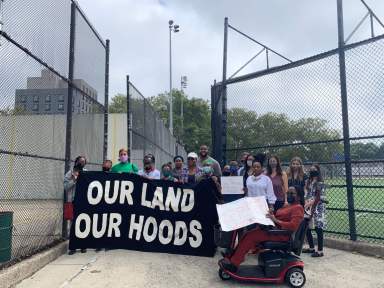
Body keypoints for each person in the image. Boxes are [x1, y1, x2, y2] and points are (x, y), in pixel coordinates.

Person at [219, 186, 304, 272]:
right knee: (248, 234)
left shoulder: (298, 208)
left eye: (292, 193)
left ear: (299, 196)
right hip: (274, 230)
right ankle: (233, 256)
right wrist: (271, 213)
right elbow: (279, 217)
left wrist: (275, 220)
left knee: (251, 237)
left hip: (281, 234)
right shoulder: (288, 206)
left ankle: (234, 264)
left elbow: (293, 226)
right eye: (288, 193)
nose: (289, 195)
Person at [64, 155, 87, 255]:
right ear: (76, 161)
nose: (81, 163)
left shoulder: (86, 172)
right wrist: (74, 179)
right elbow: (65, 186)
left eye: (83, 161)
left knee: (82, 223)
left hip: (83, 201)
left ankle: (83, 245)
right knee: (73, 224)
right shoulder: (70, 173)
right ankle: (73, 247)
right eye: (80, 161)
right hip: (73, 201)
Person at [303, 164, 327, 257]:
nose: (312, 171)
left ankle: (320, 251)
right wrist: (306, 202)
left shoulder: (320, 182)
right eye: (311, 169)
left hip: (318, 207)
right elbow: (306, 193)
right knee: (307, 226)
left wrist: (311, 202)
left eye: (315, 169)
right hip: (308, 206)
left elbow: (320, 196)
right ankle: (311, 247)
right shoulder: (308, 181)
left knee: (318, 227)